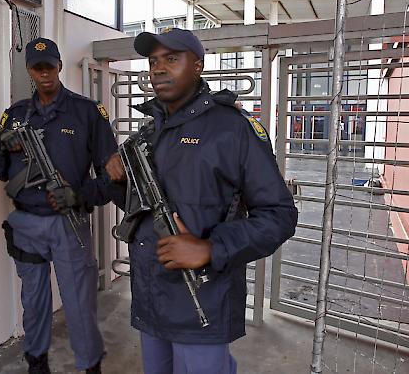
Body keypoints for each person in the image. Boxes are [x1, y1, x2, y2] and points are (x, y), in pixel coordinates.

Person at [105, 28, 298, 374]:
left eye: (172, 59)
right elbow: (142, 209)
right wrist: (120, 179)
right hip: (151, 299)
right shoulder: (150, 132)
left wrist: (210, 248)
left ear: (197, 65)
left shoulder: (233, 129)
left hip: (201, 304)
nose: (159, 69)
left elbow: (280, 215)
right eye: (153, 61)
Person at [0, 37, 121, 374]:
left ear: (59, 66)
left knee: (78, 303)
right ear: (30, 70)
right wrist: (6, 145)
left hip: (68, 223)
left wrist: (80, 195)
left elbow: (113, 174)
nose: (44, 73)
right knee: (33, 300)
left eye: (50, 66)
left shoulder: (87, 112)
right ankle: (37, 361)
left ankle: (90, 365)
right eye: (37, 67)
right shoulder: (15, 114)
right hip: (27, 224)